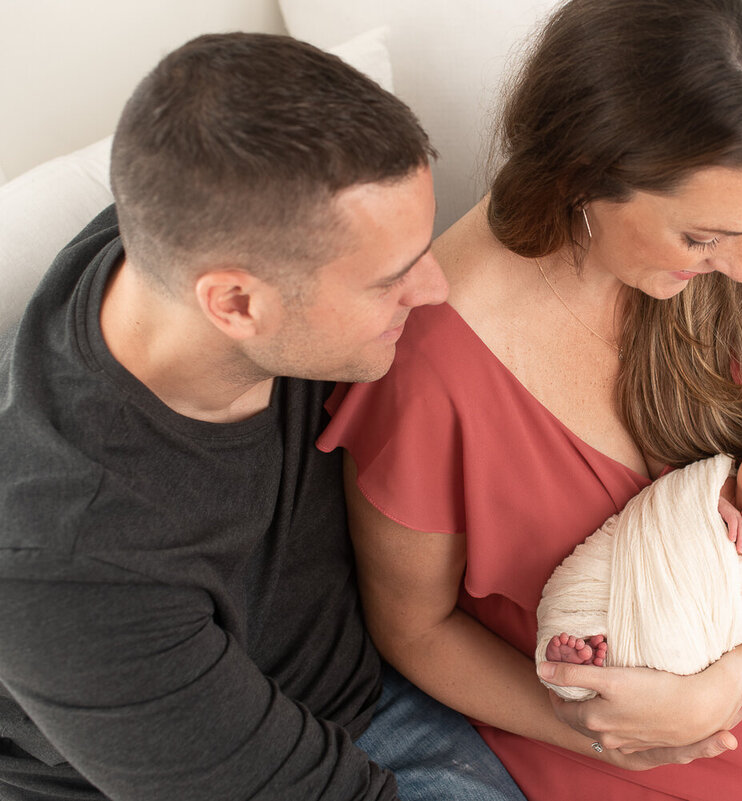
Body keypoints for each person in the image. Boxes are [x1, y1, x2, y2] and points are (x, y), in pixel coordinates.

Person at [318, 0, 742, 798]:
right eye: (702, 238)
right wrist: (608, 734)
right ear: (583, 176)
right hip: (624, 739)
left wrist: (737, 674)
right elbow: (415, 628)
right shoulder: (434, 369)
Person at [0, 33, 524, 801]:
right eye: (391, 279)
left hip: (360, 669)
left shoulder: (190, 227)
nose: (435, 289)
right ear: (236, 303)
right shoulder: (72, 569)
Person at [541, 416, 742, 676]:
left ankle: (593, 658)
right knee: (582, 598)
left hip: (683, 637)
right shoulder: (706, 480)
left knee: (663, 648)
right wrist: (717, 507)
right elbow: (675, 501)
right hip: (619, 576)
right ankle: (579, 650)